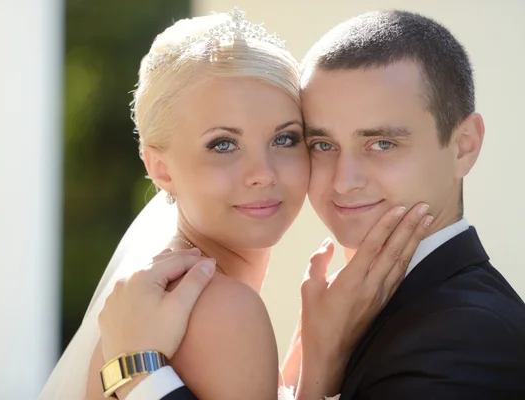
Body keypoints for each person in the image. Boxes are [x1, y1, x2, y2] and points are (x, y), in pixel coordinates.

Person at [98, 9, 525, 400]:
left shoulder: (469, 334)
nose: (344, 180)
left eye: (382, 143)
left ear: (464, 146)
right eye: (322, 144)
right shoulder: (212, 307)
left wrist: (139, 376)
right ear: (160, 167)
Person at [37, 7, 433, 400]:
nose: (262, 173)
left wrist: (317, 361)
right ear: (161, 168)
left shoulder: (161, 298)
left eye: (285, 139)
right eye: (223, 144)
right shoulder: (224, 309)